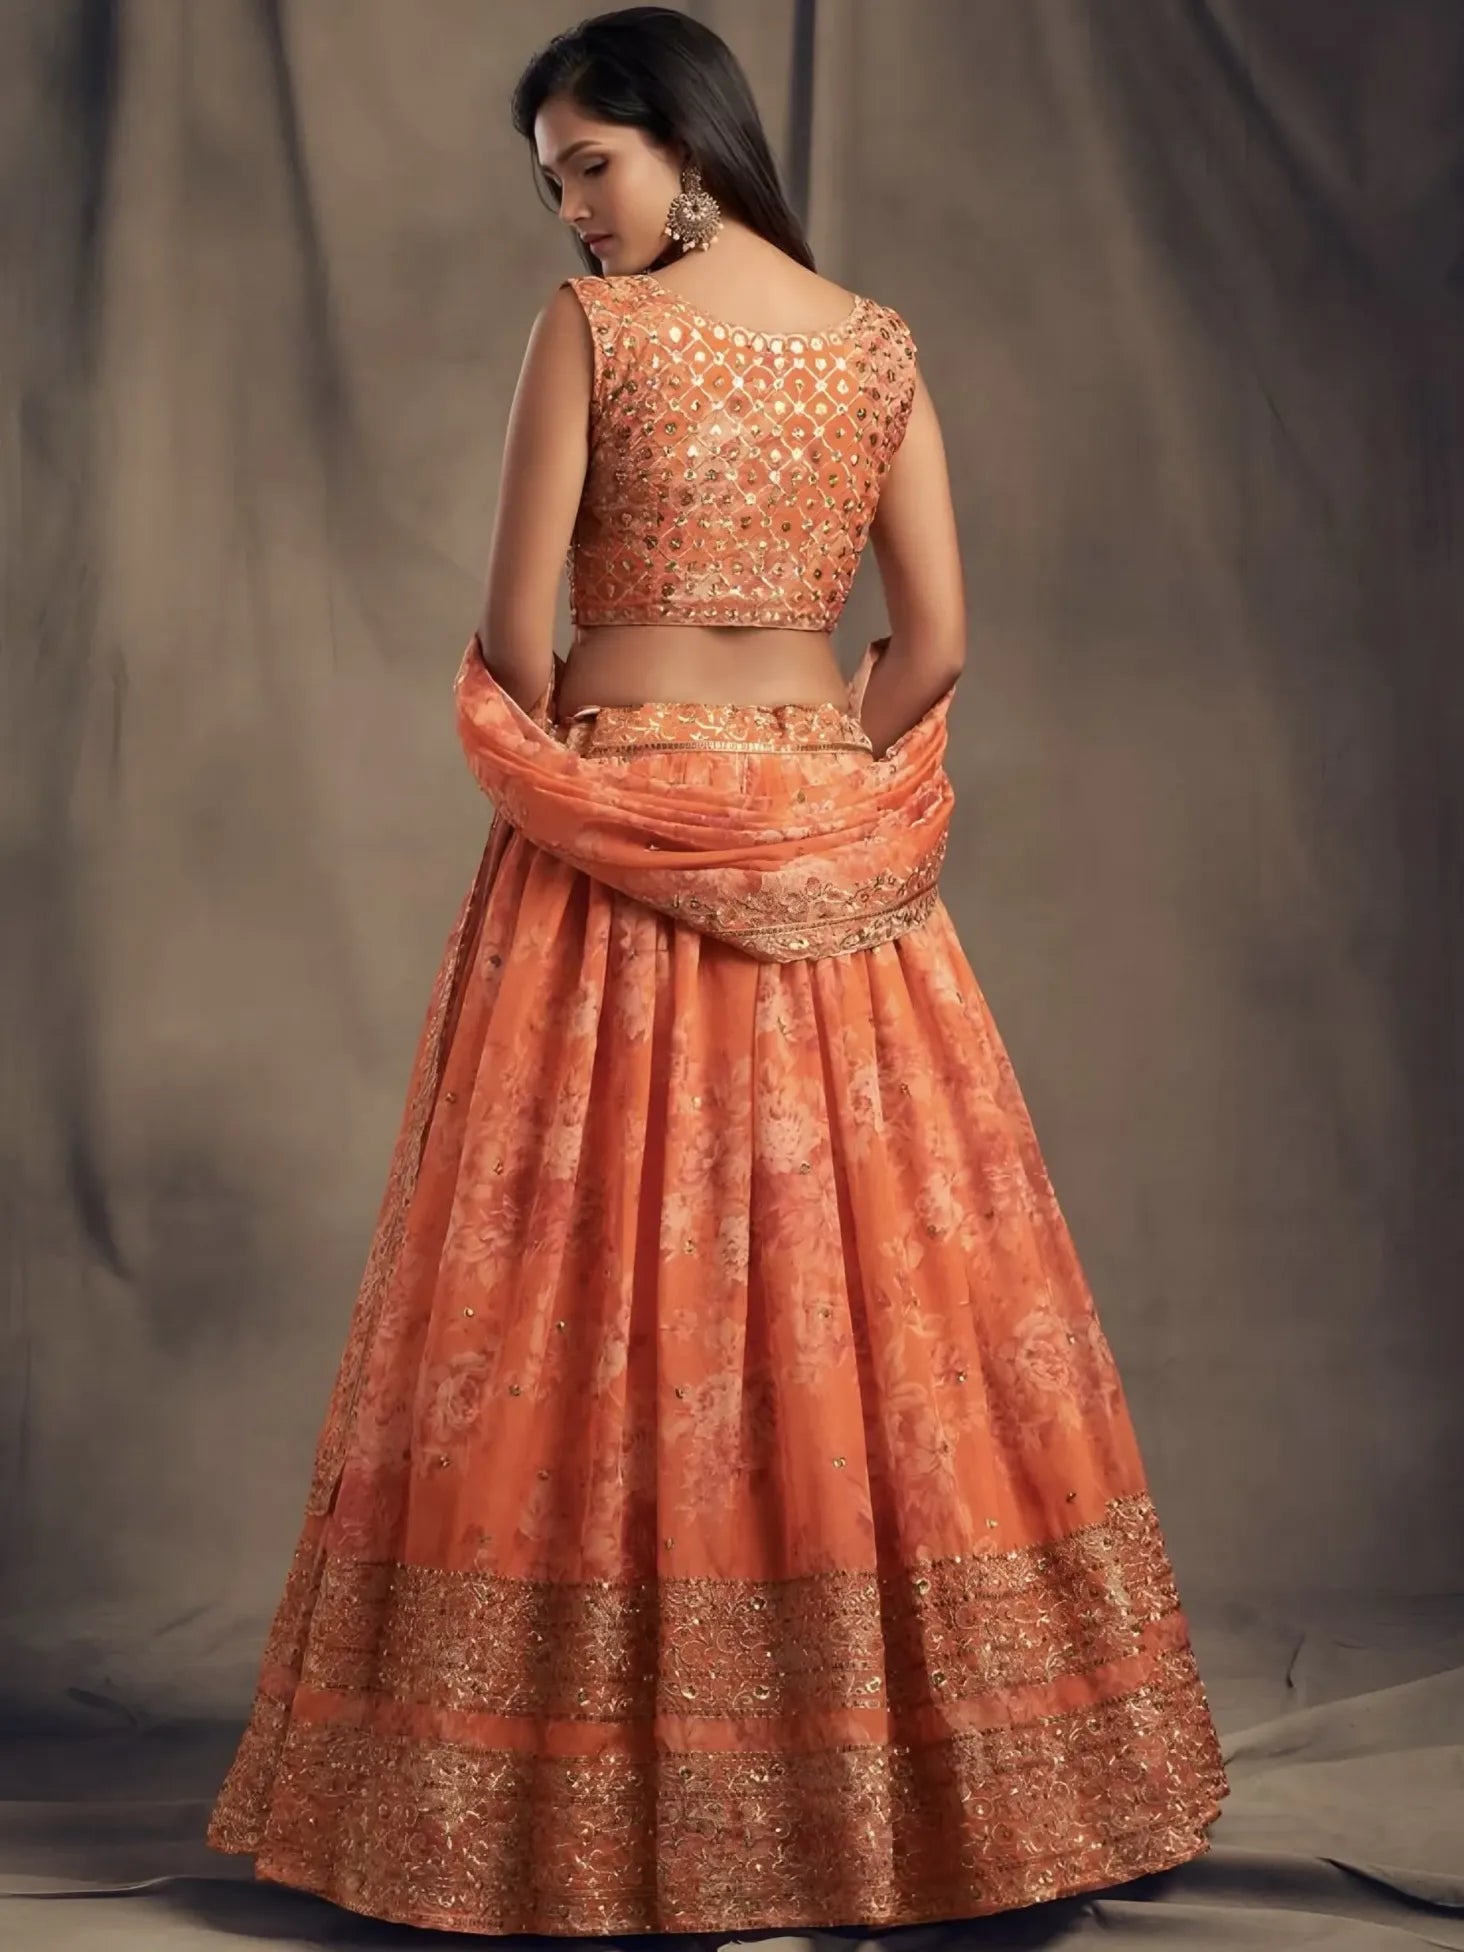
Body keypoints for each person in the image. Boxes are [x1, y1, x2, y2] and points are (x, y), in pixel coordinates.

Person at [205, 5, 1228, 1935]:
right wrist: (811, 774)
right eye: (554, 184)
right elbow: (933, 646)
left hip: (609, 855)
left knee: (590, 1297)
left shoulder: (594, 337)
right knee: (865, 1298)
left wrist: (618, 771)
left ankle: (578, 1814)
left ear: (688, 136)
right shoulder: (876, 348)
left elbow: (517, 632)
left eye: (591, 163)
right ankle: (910, 1805)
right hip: (841, 859)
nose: (574, 215)